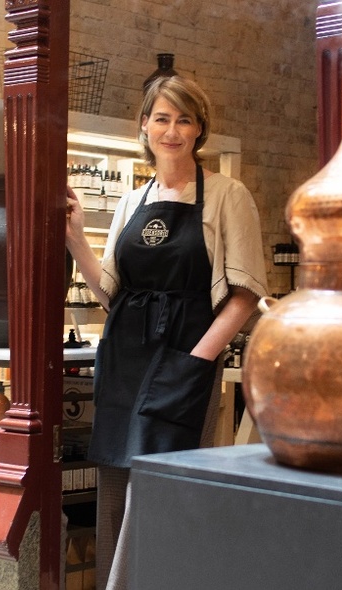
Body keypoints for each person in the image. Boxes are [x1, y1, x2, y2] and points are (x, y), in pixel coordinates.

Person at [65, 75, 268, 589]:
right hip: (126, 355)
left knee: (159, 485)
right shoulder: (133, 202)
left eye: (183, 119)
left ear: (200, 130)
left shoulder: (227, 195)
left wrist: (198, 359)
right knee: (114, 481)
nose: (171, 130)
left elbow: (245, 294)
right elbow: (113, 292)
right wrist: (76, 240)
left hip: (184, 354)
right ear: (144, 126)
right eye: (161, 118)